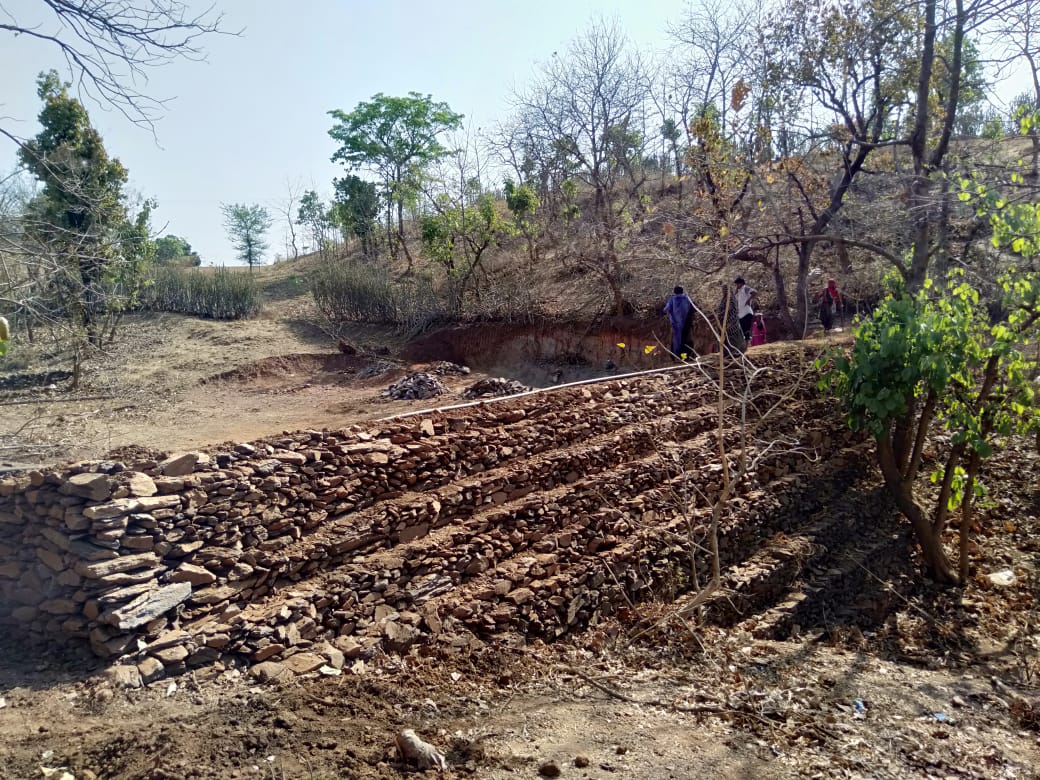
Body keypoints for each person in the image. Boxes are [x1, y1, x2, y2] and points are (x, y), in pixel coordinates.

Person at [663, 285, 694, 358]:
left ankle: (676, 356)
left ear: (674, 292)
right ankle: (687, 356)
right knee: (687, 339)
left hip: (676, 324)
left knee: (677, 340)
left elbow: (665, 309)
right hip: (687, 323)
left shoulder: (672, 299)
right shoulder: (687, 298)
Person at [716, 283, 746, 355]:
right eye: (723, 290)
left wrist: (721, 314)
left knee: (732, 336)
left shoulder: (731, 299)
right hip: (723, 322)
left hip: (731, 322)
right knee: (724, 337)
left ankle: (735, 351)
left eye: (725, 290)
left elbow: (730, 309)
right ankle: (727, 352)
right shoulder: (724, 299)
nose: (724, 292)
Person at [733, 277, 757, 342]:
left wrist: (749, 300)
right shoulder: (738, 291)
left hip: (747, 312)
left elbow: (754, 292)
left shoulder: (745, 288)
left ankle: (747, 343)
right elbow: (735, 298)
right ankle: (745, 344)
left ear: (741, 283)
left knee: (746, 329)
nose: (737, 285)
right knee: (742, 329)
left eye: (738, 284)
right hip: (740, 313)